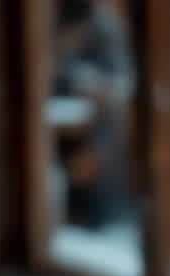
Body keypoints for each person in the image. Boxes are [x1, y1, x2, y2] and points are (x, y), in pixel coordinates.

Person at [53, 0, 137, 229]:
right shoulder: (53, 18)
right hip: (63, 123)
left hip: (99, 129)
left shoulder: (104, 28)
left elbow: (118, 87)